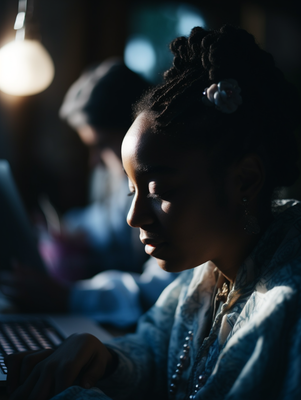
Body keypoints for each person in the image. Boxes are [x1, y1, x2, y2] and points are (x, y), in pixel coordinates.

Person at [5, 24, 301, 400]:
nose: (134, 216)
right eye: (132, 190)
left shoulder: (286, 306)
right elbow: (155, 348)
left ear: (245, 180)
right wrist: (107, 360)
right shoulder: (206, 269)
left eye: (159, 191)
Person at [0, 59, 177, 328]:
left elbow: (164, 289)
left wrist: (69, 297)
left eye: (102, 146)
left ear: (138, 130)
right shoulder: (117, 182)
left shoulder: (175, 196)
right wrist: (66, 229)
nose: (94, 162)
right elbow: (104, 221)